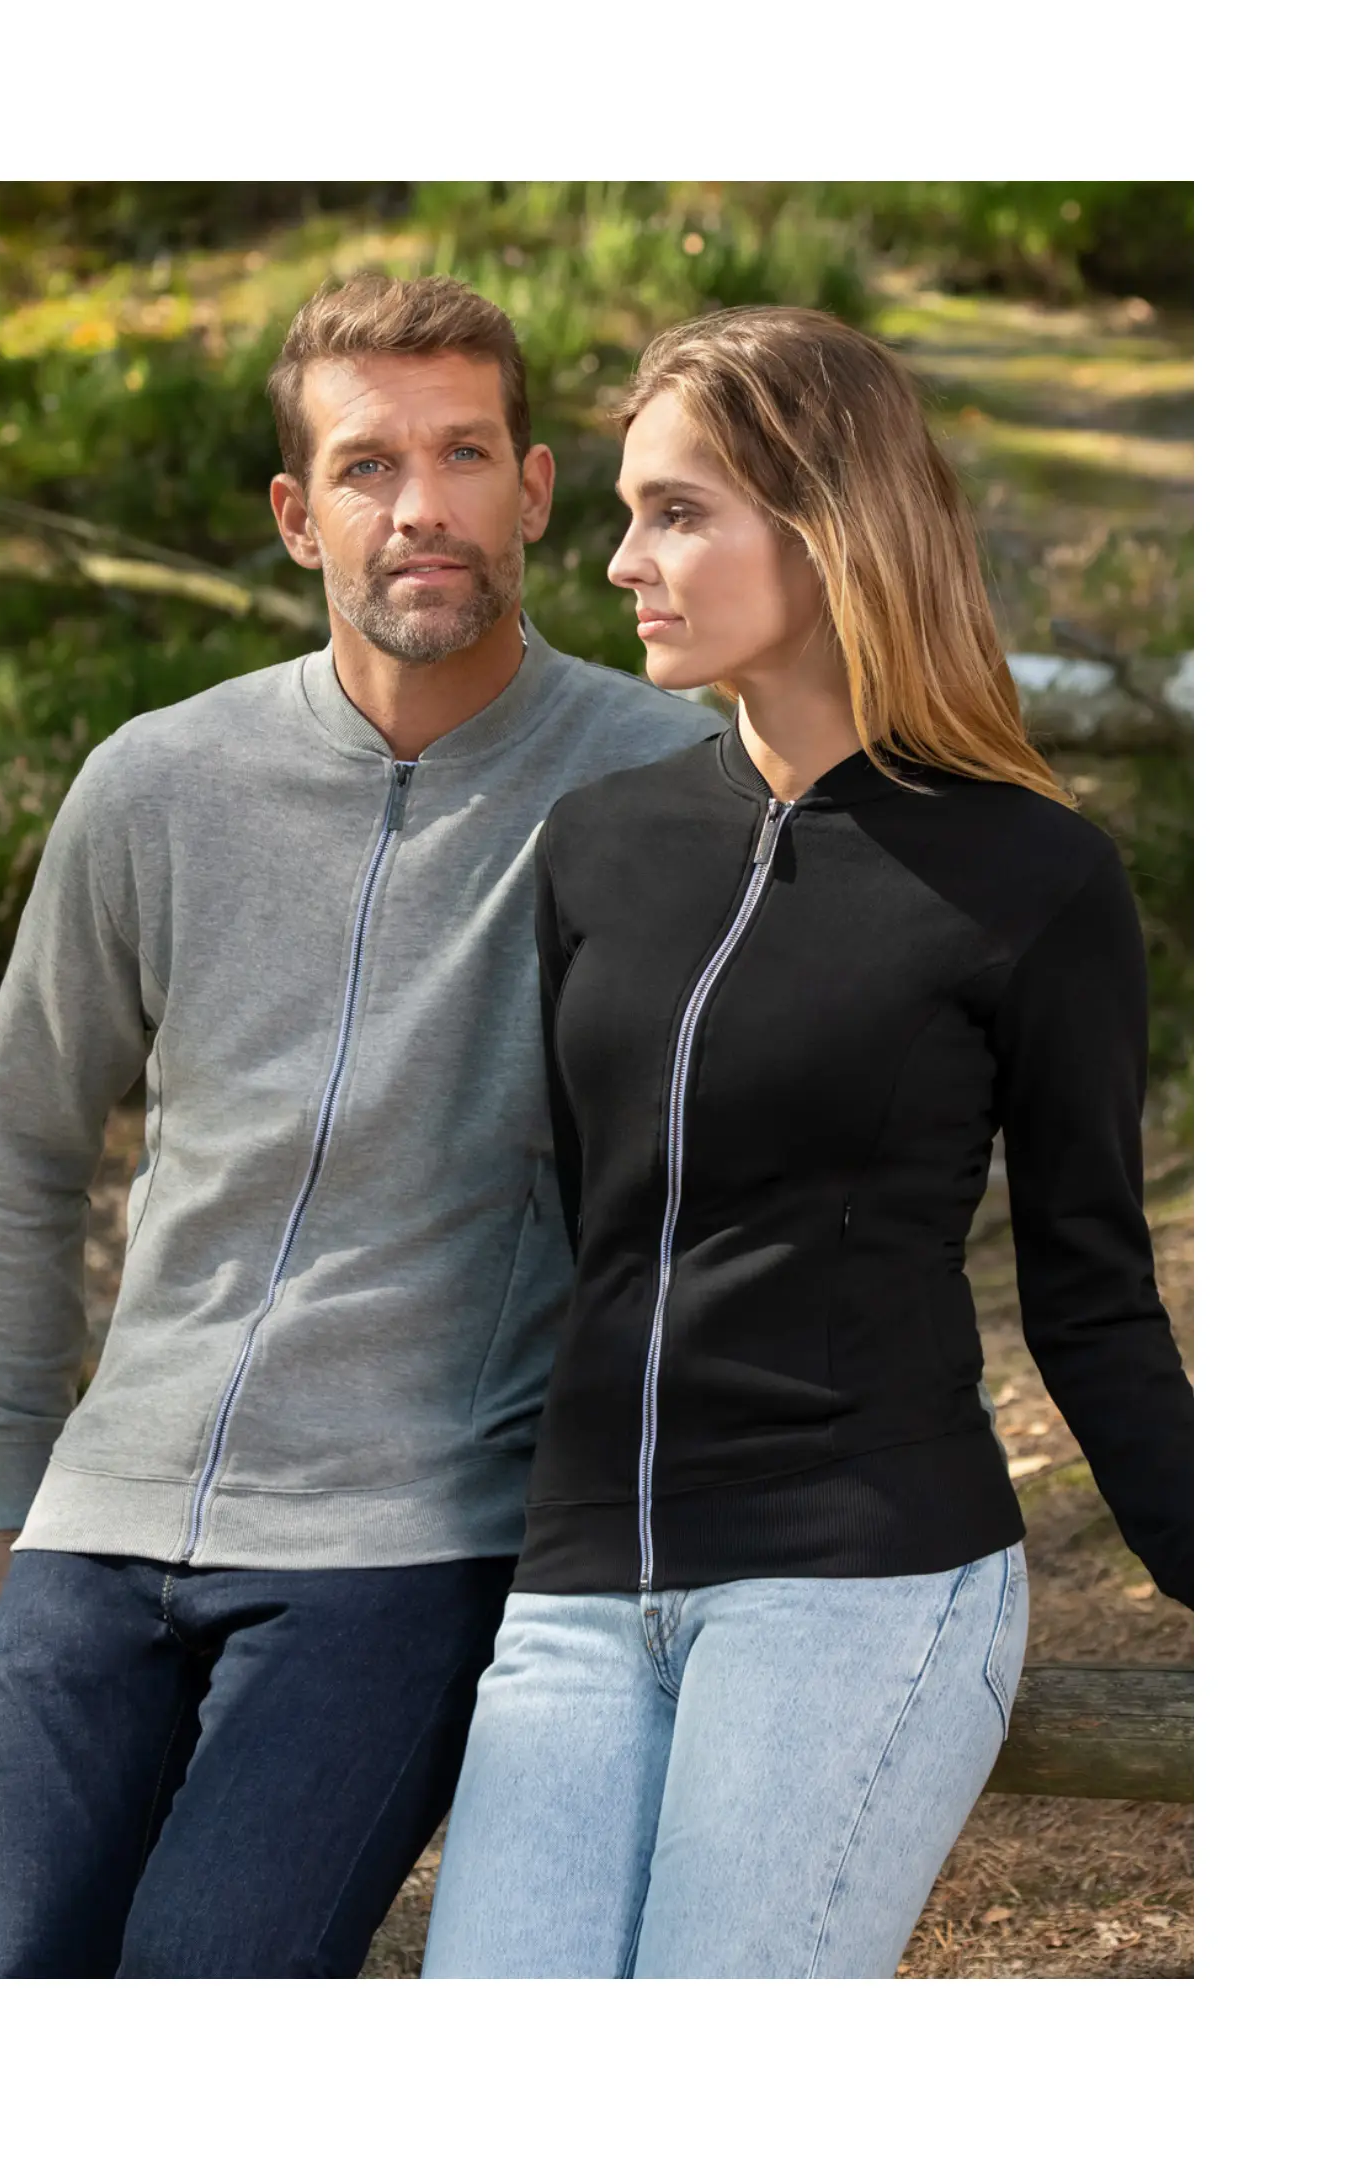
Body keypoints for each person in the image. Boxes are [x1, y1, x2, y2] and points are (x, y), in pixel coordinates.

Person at [0, 273, 712, 1979]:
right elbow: (16, 1149)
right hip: (102, 1518)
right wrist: (2, 1498)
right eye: (367, 466)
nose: (421, 506)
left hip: (408, 1537)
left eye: (464, 454)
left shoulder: (665, 786)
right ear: (297, 517)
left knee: (208, 1995)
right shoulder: (159, 781)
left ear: (537, 492)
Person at [421, 304, 1194, 1981]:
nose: (623, 560)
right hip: (578, 1591)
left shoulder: (1032, 877)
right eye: (627, 512)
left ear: (830, 527)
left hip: (856, 1576)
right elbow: (586, 1236)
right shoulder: (601, 846)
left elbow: (1091, 1295)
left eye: (677, 513)